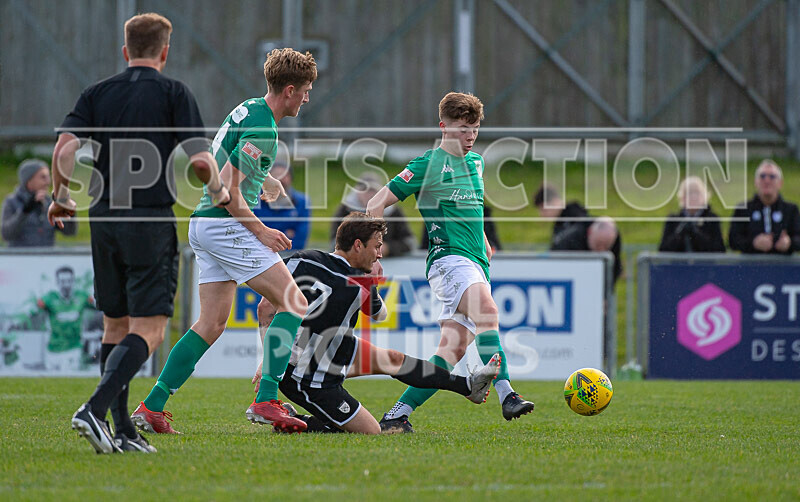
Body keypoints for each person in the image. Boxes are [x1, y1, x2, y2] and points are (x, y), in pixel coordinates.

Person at [50, 12, 230, 454]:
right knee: (150, 329)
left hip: (104, 218)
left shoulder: (97, 93)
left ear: (125, 50)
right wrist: (220, 189)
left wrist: (61, 196)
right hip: (148, 219)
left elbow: (65, 147)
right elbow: (201, 161)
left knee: (115, 323)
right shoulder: (173, 92)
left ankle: (121, 432)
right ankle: (94, 409)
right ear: (164, 52)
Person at [130, 47, 318, 437]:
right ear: (289, 89)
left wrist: (265, 179)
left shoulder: (250, 108)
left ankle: (152, 406)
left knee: (211, 323)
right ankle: (266, 399)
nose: (307, 97)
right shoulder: (264, 129)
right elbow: (228, 192)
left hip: (203, 224)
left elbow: (220, 161)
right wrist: (261, 231)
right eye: (305, 90)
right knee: (294, 301)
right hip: (224, 223)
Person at [366, 92, 534, 433]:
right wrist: (373, 256)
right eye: (461, 129)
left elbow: (471, 207)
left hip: (474, 263)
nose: (469, 136)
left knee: (449, 354)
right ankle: (507, 395)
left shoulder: (476, 163)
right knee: (488, 313)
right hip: (448, 260)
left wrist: (484, 240)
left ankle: (396, 415)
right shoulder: (426, 165)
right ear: (443, 127)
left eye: (474, 129)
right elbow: (374, 204)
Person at [244, 214, 499, 434]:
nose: (379, 253)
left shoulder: (302, 259)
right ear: (358, 245)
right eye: (376, 246)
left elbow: (265, 307)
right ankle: (297, 421)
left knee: (394, 358)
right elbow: (380, 315)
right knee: (370, 430)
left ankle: (466, 386)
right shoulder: (359, 284)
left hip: (326, 351)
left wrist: (270, 360)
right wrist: (373, 282)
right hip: (309, 376)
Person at [534, 184, 622, 282]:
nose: (542, 215)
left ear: (554, 202)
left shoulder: (574, 222)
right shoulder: (563, 224)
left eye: (543, 209)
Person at [331, 172, 415, 257]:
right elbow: (334, 243)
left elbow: (409, 242)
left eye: (373, 191)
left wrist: (388, 248)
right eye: (365, 190)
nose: (369, 195)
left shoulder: (393, 212)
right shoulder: (345, 210)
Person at [729, 160, 800, 255]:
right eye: (762, 176)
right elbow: (732, 240)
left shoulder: (791, 210)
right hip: (751, 267)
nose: (767, 180)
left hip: (783, 267)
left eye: (772, 177)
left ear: (780, 183)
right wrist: (753, 243)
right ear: (755, 182)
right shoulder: (743, 209)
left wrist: (789, 243)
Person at [33, 266, 96, 371]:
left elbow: (99, 307)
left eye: (69, 281)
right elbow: (34, 310)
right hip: (53, 350)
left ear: (73, 281)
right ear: (57, 282)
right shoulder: (50, 298)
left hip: (73, 349)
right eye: (62, 281)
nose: (66, 285)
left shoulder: (82, 297)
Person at [2, 159, 76, 246]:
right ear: (29, 180)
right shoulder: (12, 202)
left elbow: (69, 232)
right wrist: (25, 211)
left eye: (49, 177)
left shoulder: (49, 203)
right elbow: (6, 234)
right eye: (43, 177)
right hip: (20, 257)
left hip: (47, 258)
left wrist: (69, 211)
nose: (48, 182)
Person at [252, 162, 310, 249]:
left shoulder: (302, 201)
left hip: (289, 253)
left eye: (285, 175)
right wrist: (286, 234)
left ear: (291, 178)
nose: (281, 179)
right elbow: (252, 230)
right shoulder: (254, 199)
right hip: (259, 252)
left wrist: (267, 233)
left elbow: (300, 238)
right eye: (276, 175)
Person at [658, 176, 725, 253]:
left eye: (696, 192)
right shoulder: (673, 220)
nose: (693, 196)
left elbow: (719, 249)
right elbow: (663, 249)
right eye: (689, 192)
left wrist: (696, 233)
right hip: (678, 264)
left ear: (704, 196)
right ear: (682, 197)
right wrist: (679, 233)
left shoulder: (712, 219)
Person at [421, 205, 502, 253]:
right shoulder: (436, 214)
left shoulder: (482, 213)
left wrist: (488, 246)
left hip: (472, 258)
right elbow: (426, 246)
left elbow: (493, 244)